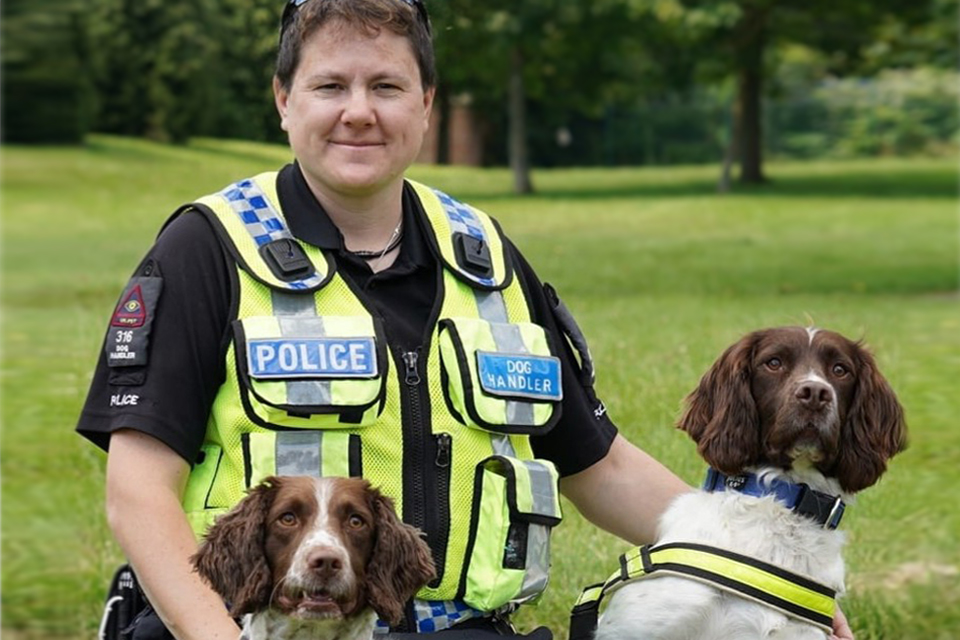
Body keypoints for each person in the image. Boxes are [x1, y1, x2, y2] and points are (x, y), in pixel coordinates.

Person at [76, 1, 854, 639]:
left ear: (425, 104)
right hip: (251, 628)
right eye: (328, 87)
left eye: (386, 86)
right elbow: (138, 492)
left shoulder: (483, 256)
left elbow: (601, 466)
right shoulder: (207, 247)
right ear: (283, 101)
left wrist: (765, 578)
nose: (358, 113)